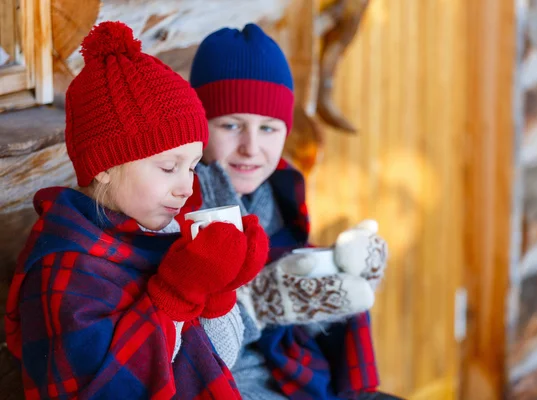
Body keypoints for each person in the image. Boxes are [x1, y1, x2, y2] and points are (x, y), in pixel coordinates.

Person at [4, 21, 268, 399]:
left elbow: (219, 361)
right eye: (168, 167)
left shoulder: (156, 238)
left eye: (192, 166)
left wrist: (221, 289)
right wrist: (175, 295)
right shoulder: (65, 269)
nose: (187, 186)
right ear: (105, 167)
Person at [190, 23, 398, 399]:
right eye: (231, 125)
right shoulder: (183, 204)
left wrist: (341, 277)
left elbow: (295, 302)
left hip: (296, 372)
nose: (250, 147)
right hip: (229, 384)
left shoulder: (279, 194)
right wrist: (258, 306)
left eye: (268, 128)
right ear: (200, 126)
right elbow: (182, 346)